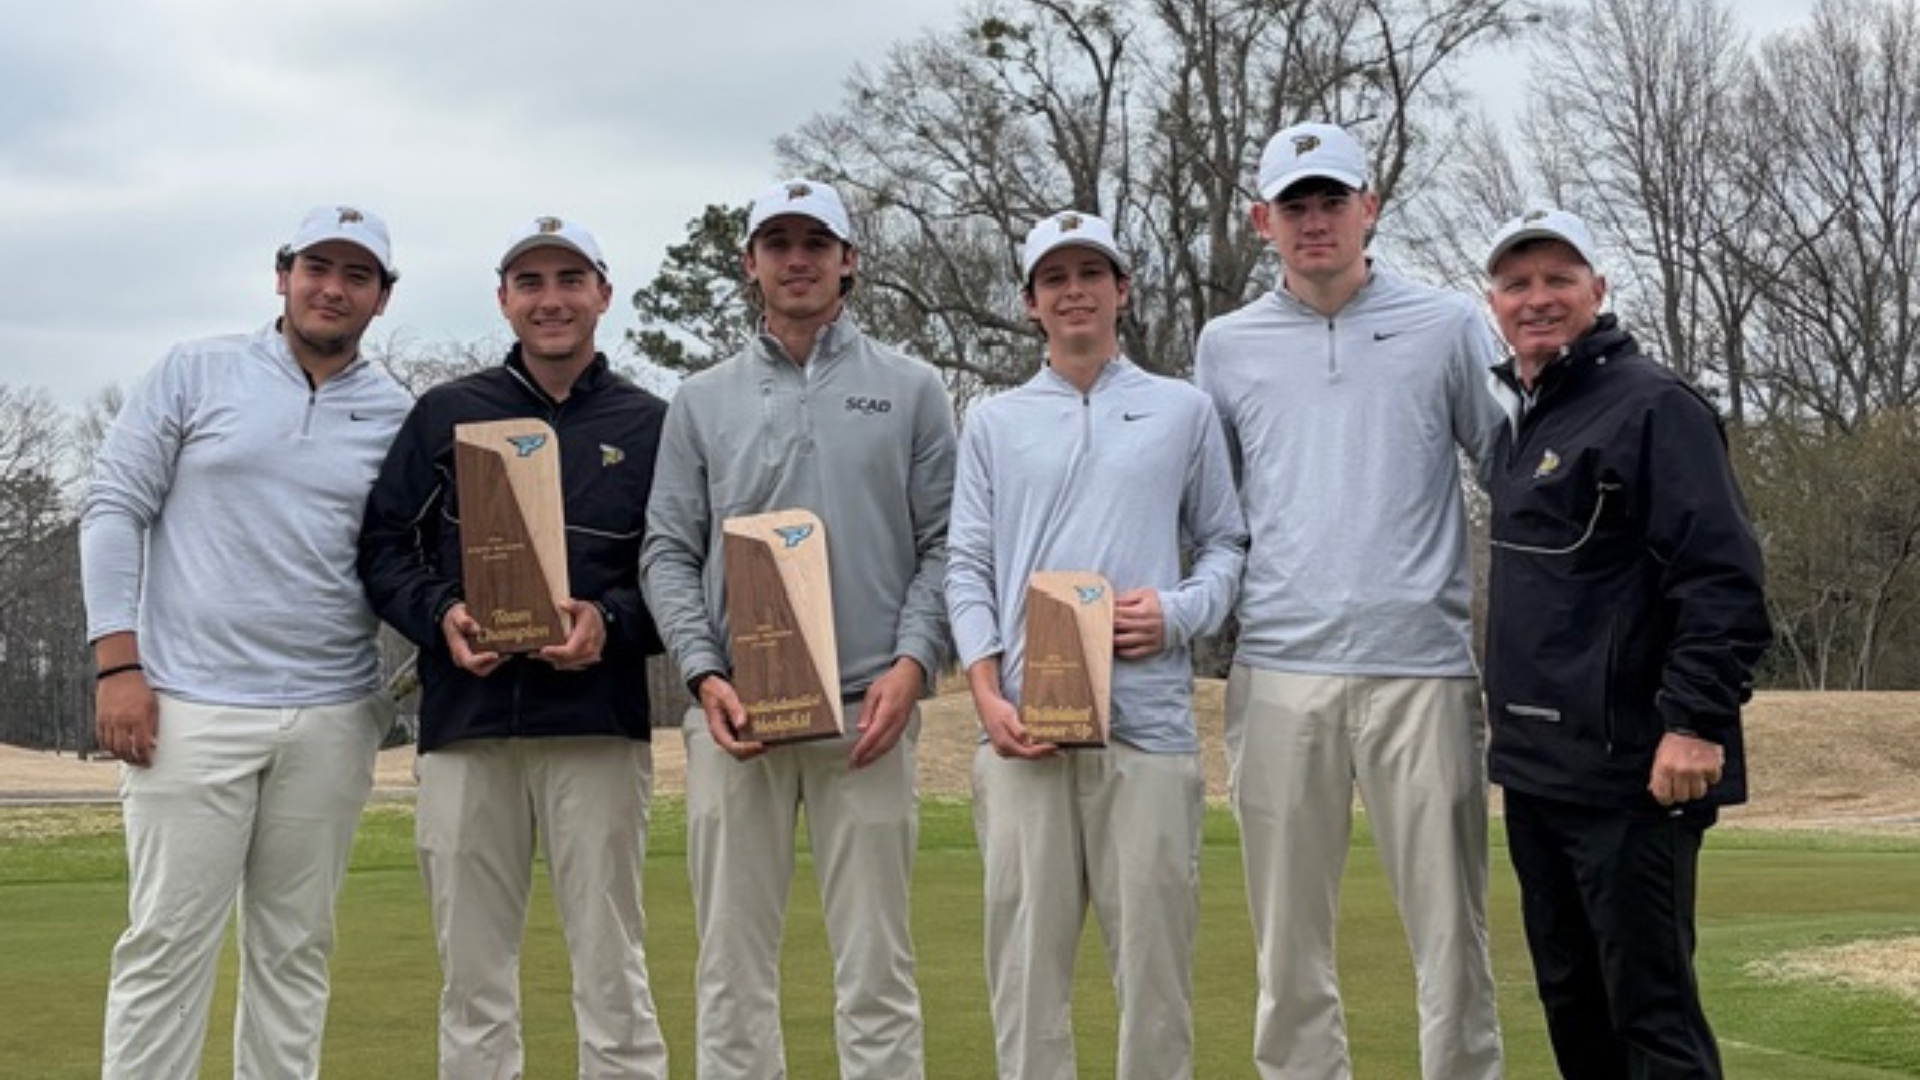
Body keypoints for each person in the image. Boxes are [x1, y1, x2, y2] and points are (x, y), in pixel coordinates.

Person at [1191, 121, 1506, 1080]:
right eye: (1296, 205)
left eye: (1334, 200)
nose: (1316, 220)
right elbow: (1215, 514)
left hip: (1427, 672)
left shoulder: (1447, 324)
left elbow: (1512, 466)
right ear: (1262, 221)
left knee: (1453, 941)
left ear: (1370, 207)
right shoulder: (1225, 345)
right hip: (1281, 668)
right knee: (1288, 952)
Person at [80, 205, 411, 1080]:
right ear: (282, 274)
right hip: (187, 705)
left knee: (295, 952)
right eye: (316, 267)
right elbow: (115, 506)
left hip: (334, 713)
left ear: (382, 298)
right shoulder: (196, 370)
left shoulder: (396, 411)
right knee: (166, 945)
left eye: (357, 275)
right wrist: (118, 662)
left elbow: (416, 555)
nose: (332, 288)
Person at [640, 177, 955, 1080]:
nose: (798, 259)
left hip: (869, 710)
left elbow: (943, 545)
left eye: (817, 243)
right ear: (750, 264)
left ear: (849, 260)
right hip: (737, 716)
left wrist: (913, 663)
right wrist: (705, 676)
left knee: (877, 970)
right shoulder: (700, 399)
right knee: (732, 971)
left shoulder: (913, 388)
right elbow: (667, 549)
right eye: (777, 244)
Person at [357, 216, 670, 1080]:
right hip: (467, 726)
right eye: (530, 283)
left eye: (570, 280)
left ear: (603, 294)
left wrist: (609, 621)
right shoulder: (448, 414)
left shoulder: (650, 424)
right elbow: (386, 549)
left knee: (613, 973)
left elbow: (679, 571)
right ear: (503, 300)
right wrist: (442, 615)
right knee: (472, 979)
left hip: (597, 726)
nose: (551, 300)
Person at [944, 210, 1247, 1080]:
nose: (1073, 290)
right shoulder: (995, 423)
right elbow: (966, 564)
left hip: (1148, 724)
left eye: (1091, 273)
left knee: (1155, 976)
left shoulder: (1181, 410)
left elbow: (1227, 543)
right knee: (1028, 977)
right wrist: (986, 691)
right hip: (1023, 730)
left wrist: (1180, 613)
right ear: (1032, 302)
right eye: (1054, 278)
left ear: (1121, 289)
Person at [1481, 207, 1771, 1080]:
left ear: (1597, 291)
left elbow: (1723, 582)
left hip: (1636, 770)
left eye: (1558, 280)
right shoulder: (1523, 420)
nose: (1537, 300)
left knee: (1651, 1015)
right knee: (1576, 1008)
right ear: (1492, 302)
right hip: (1538, 772)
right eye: (1517, 284)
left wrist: (1694, 723)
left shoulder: (1654, 406)